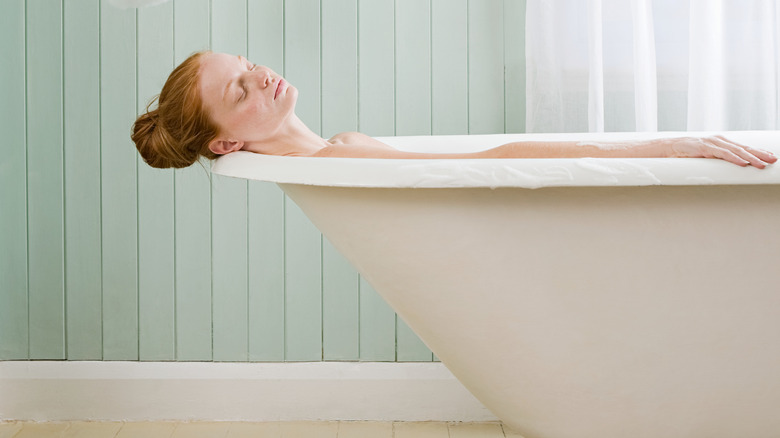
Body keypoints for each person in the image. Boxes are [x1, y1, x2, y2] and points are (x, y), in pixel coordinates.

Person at [132, 51, 777, 169]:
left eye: (245, 64)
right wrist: (660, 148)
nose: (259, 76)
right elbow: (491, 162)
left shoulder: (342, 145)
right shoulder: (342, 158)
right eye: (238, 92)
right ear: (225, 143)